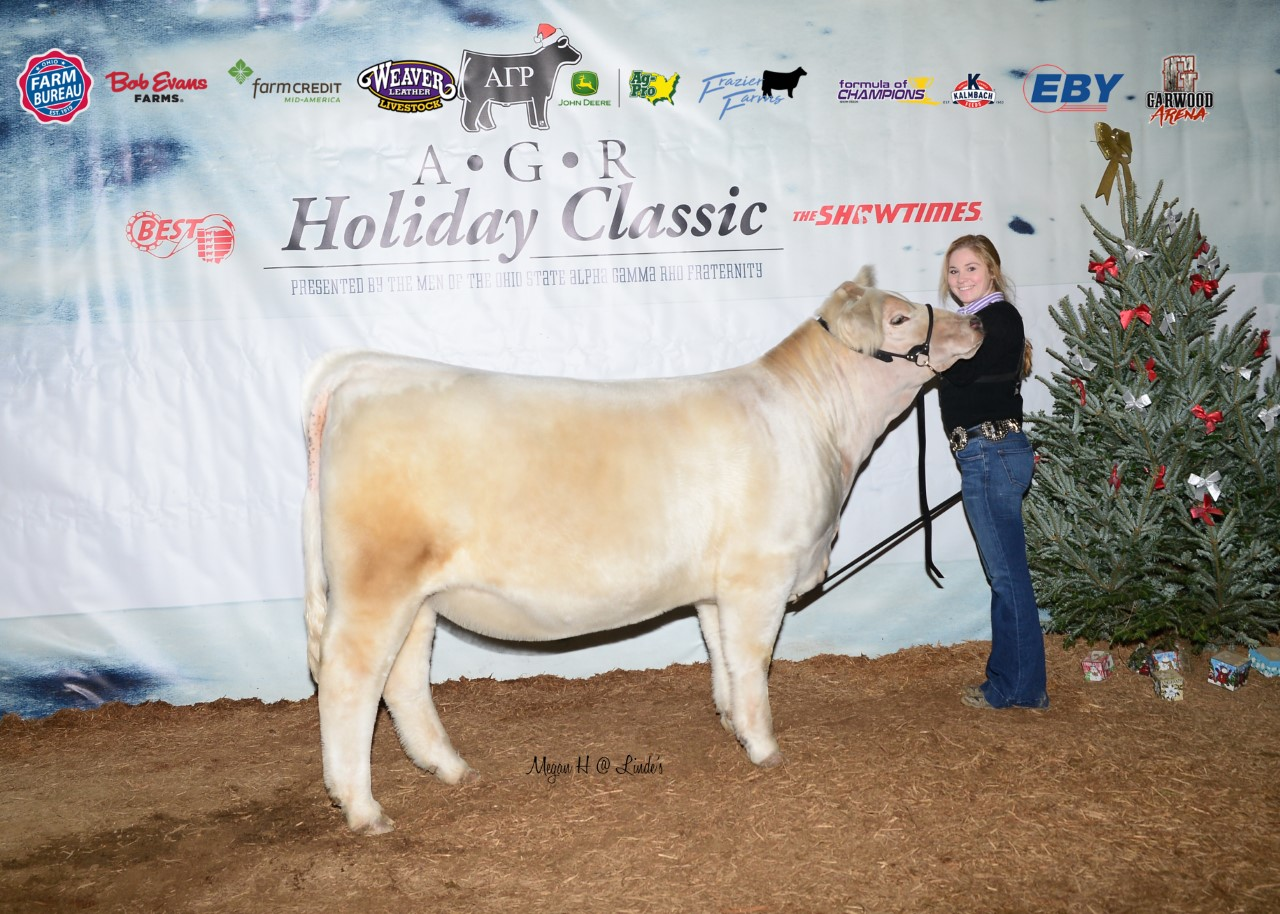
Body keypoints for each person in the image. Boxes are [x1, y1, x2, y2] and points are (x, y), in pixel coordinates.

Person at [937, 234, 1048, 710]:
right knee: (1004, 575)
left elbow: (959, 372)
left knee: (1007, 577)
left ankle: (1019, 688)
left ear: (992, 272)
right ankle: (1009, 681)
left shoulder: (997, 319)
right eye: (954, 271)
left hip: (991, 452)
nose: (961, 278)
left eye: (971, 269)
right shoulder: (974, 322)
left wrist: (933, 352)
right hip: (985, 452)